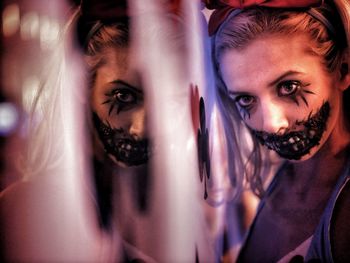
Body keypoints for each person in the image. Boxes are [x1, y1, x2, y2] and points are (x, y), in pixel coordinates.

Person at [205, 0, 350, 261]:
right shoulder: (271, 180)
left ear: (343, 69)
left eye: (289, 87)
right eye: (246, 100)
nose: (272, 124)